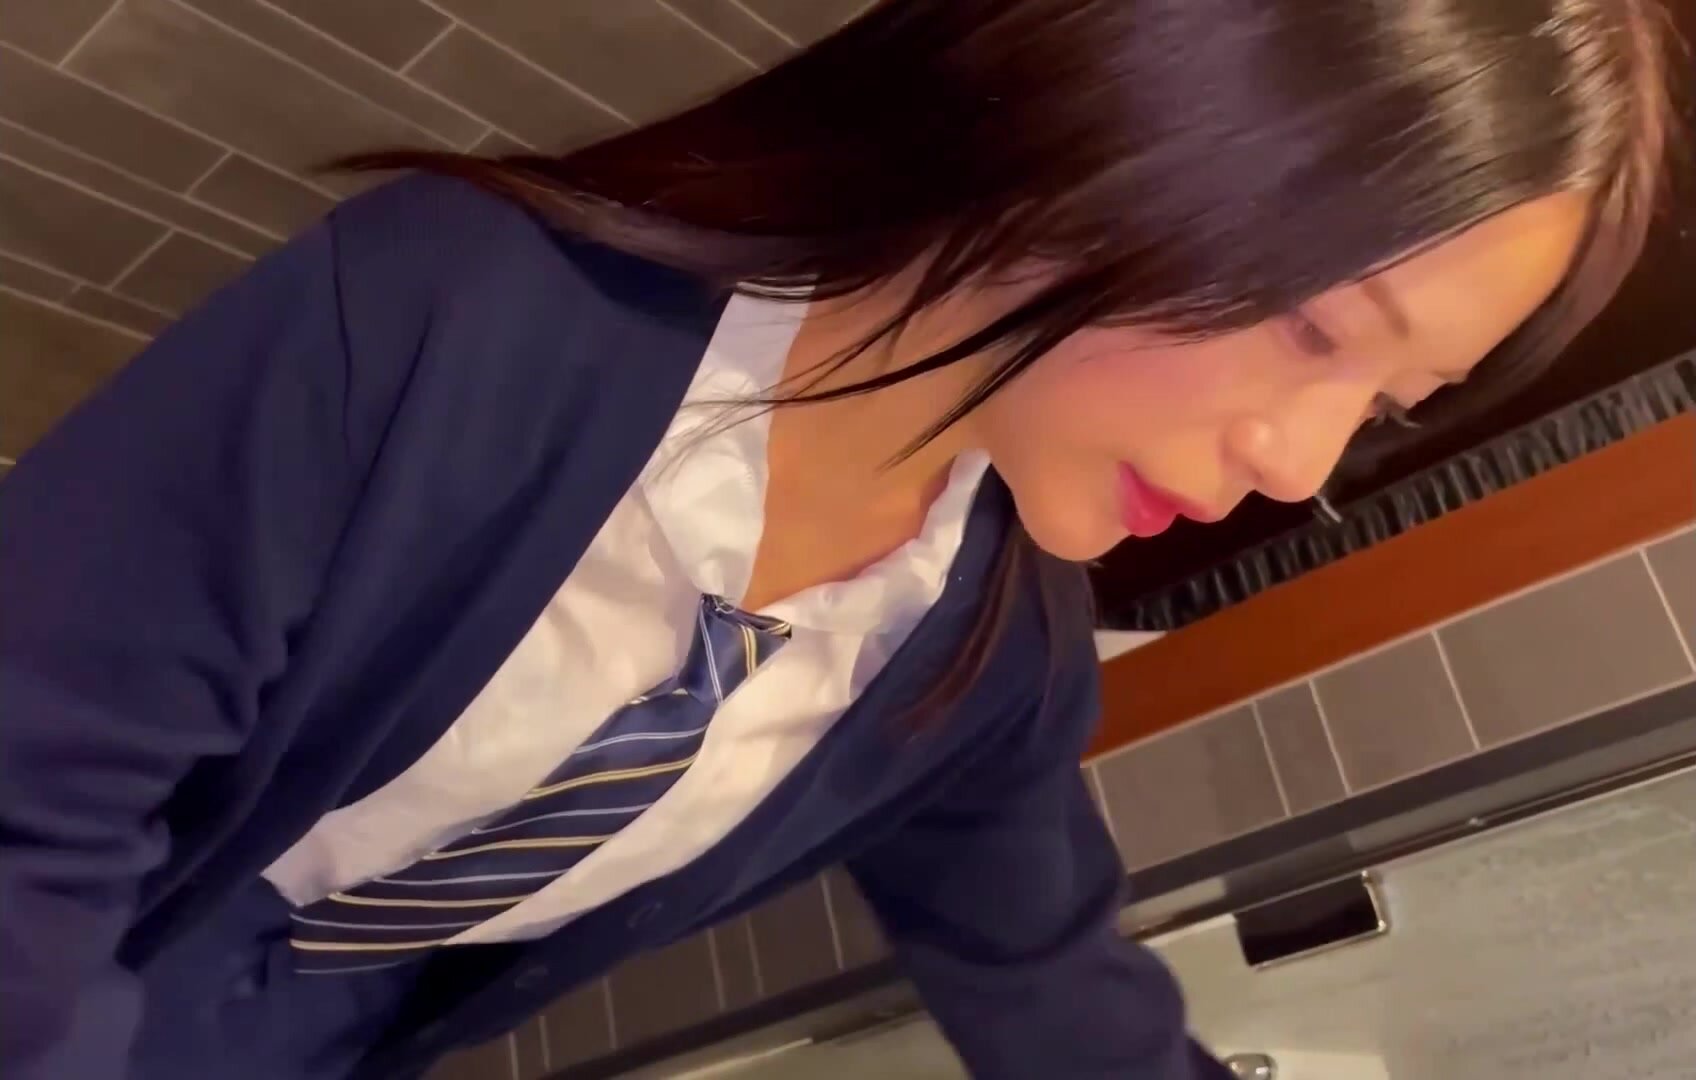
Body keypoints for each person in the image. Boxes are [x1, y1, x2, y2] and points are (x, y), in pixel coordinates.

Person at [0, 0, 1675, 1077]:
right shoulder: (460, 315)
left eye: (1385, 404)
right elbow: (35, 791)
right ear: (1125, 134)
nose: (1299, 464)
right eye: (1316, 333)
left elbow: (1051, 979)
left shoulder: (988, 652)